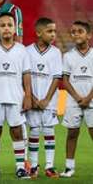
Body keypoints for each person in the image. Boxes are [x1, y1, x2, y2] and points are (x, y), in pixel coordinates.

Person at [0, 13, 32, 179]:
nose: (6, 28)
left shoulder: (21, 50)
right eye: (2, 25)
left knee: (17, 132)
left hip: (16, 97)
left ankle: (20, 167)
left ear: (15, 28)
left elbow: (26, 75)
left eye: (9, 25)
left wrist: (28, 96)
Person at [25, 17, 62, 178]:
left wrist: (47, 99)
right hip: (32, 100)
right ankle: (33, 166)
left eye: (54, 31)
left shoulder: (56, 53)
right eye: (49, 31)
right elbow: (24, 77)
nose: (53, 34)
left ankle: (49, 166)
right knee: (33, 131)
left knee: (48, 131)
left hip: (50, 101)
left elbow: (56, 77)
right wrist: (31, 97)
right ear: (39, 32)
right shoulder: (27, 51)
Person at [60, 20, 93, 178]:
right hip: (74, 101)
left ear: (89, 35)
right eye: (73, 32)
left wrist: (88, 98)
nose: (76, 34)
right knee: (72, 133)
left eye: (80, 31)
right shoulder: (67, 56)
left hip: (91, 100)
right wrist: (78, 97)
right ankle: (69, 167)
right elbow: (65, 80)